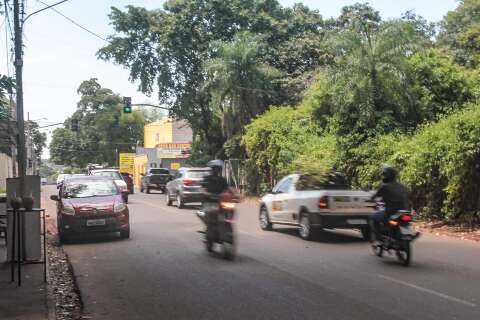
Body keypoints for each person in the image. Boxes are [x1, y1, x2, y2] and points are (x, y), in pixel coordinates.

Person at [370, 165, 410, 240]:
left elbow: (373, 198)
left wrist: (370, 201)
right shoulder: (403, 186)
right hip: (406, 213)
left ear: (386, 176)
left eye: (384, 175)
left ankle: (378, 238)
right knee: (398, 222)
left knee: (373, 217)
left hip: (391, 214)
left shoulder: (384, 187)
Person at [201, 160, 229, 243]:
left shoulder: (222, 180)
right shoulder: (207, 179)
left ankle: (226, 230)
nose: (216, 170)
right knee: (209, 215)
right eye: (215, 169)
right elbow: (203, 190)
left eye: (218, 169)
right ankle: (208, 233)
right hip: (209, 203)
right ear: (212, 169)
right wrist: (207, 194)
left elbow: (228, 189)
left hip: (221, 203)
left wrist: (236, 195)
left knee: (229, 212)